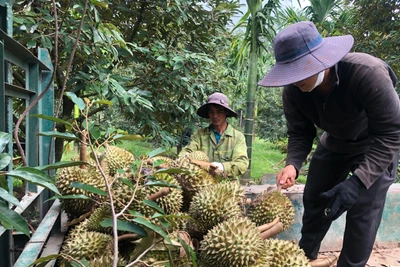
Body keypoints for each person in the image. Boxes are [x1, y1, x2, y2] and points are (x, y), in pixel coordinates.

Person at [258, 21, 400, 267]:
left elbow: (392, 133)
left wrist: (357, 182)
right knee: (315, 198)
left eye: (300, 70)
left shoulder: (366, 73)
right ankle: (303, 257)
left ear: (320, 60)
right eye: (290, 73)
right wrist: (293, 164)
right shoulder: (293, 91)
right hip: (334, 142)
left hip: (375, 145)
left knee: (363, 211)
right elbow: (300, 133)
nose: (294, 80)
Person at [179, 92, 249, 179]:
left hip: (227, 185)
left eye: (219, 112)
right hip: (202, 183)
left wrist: (222, 167)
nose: (215, 116)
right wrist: (185, 159)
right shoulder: (199, 135)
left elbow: (242, 164)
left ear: (226, 113)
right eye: (211, 112)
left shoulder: (238, 137)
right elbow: (186, 152)